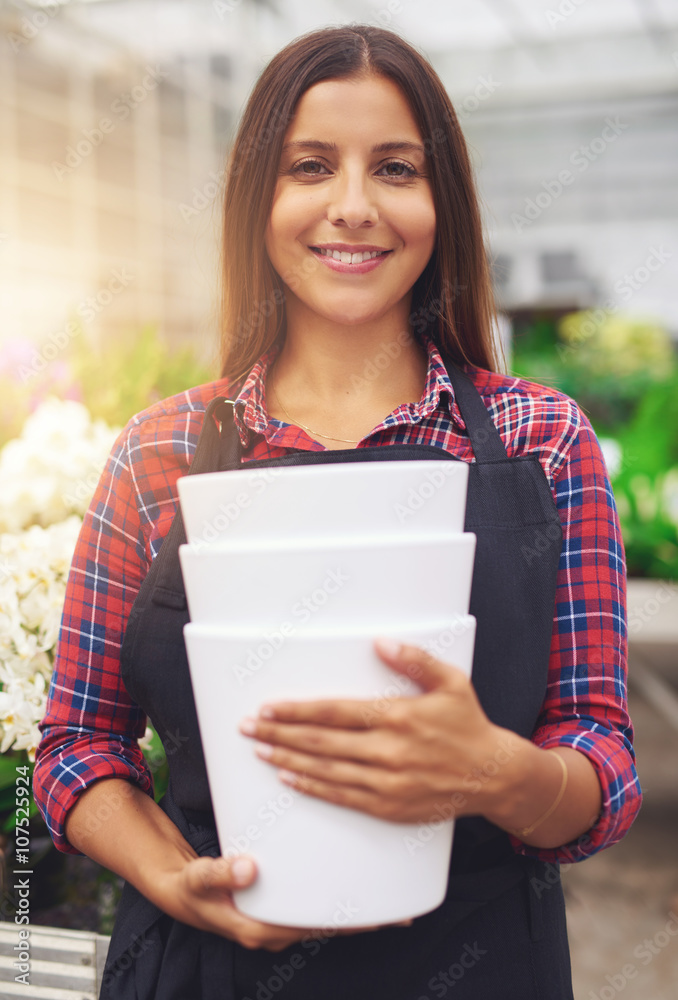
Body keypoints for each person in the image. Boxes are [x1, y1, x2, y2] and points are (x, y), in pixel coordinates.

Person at [34, 23, 641, 1000]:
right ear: (257, 199)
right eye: (310, 167)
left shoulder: (542, 440)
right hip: (209, 970)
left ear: (440, 199)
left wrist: (497, 772)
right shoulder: (162, 451)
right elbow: (76, 746)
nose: (353, 208)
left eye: (395, 168)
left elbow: (601, 760)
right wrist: (174, 879)